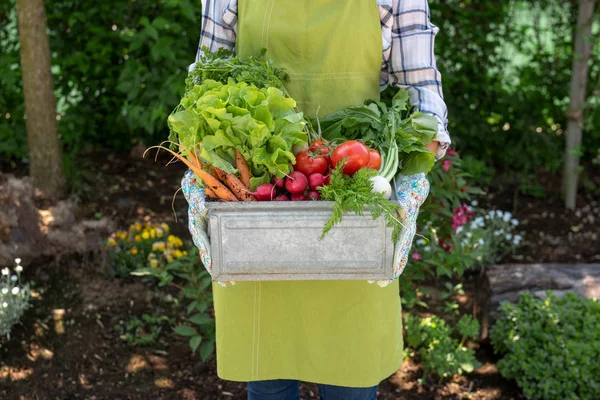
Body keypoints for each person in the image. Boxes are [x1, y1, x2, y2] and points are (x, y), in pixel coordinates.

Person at [183, 1, 450, 399]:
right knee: (268, 378)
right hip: (258, 197)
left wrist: (411, 176)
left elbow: (421, 90)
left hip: (356, 198)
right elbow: (206, 82)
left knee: (351, 379)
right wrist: (201, 167)